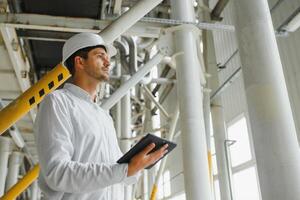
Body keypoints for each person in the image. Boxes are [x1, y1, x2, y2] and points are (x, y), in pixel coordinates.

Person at [34, 32, 168, 200]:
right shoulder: (57, 102)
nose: (107, 62)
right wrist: (125, 170)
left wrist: (136, 165)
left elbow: (116, 175)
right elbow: (57, 173)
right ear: (79, 62)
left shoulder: (104, 116)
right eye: (100, 56)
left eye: (107, 58)